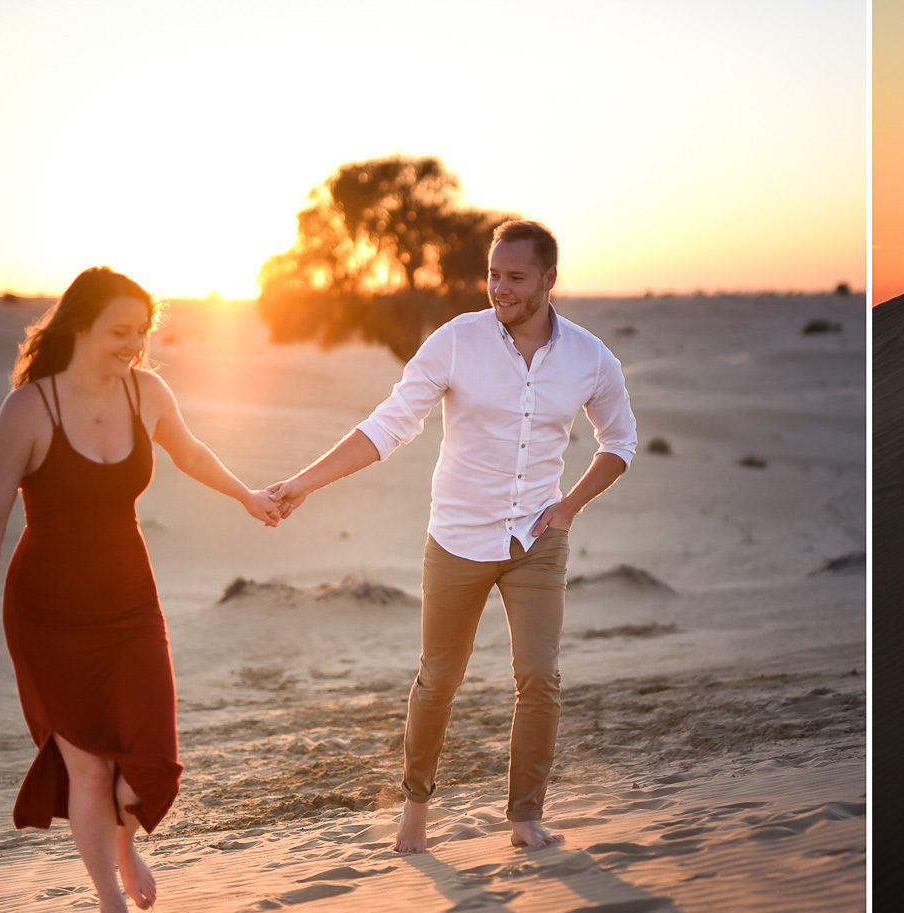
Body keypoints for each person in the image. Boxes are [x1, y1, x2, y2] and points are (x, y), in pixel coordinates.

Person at [265, 219, 636, 853]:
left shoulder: (590, 358)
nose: (501, 289)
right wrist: (305, 483)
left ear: (550, 278)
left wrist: (569, 506)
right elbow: (389, 426)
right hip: (459, 538)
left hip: (537, 539)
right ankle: (415, 807)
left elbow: (619, 442)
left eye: (516, 277)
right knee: (439, 679)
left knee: (540, 678)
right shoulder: (457, 341)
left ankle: (524, 818)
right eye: (493, 275)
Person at [0, 267, 282, 913]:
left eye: (142, 331)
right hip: (47, 614)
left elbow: (190, 453)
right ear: (79, 325)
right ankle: (112, 911)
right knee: (88, 765)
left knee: (154, 763)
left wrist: (247, 494)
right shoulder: (29, 409)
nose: (133, 346)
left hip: (131, 604)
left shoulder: (147, 392)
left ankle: (123, 837)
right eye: (119, 332)